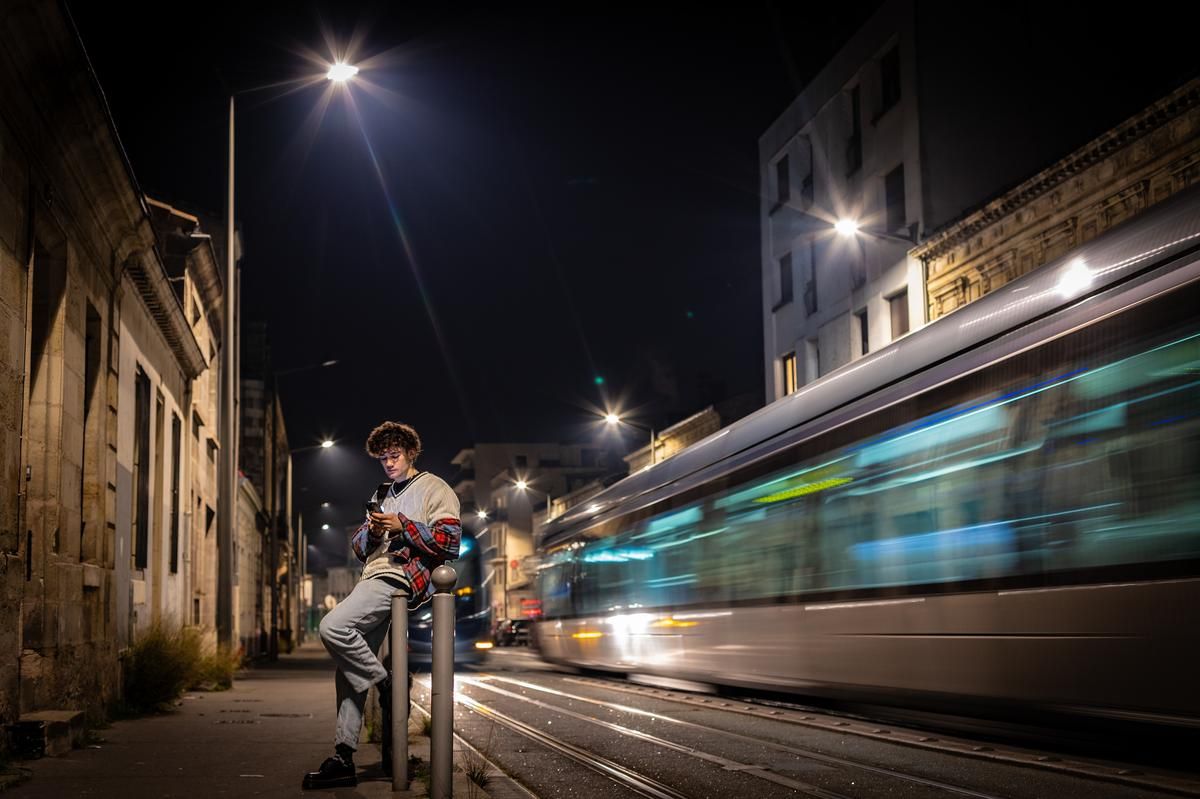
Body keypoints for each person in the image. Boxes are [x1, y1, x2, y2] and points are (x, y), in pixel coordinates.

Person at [303, 421, 461, 790]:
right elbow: (359, 549)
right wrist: (374, 530)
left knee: (332, 627)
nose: (388, 463)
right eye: (382, 458)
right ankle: (343, 756)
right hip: (373, 575)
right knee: (348, 672)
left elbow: (450, 541)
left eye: (394, 456)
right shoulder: (381, 492)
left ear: (410, 453)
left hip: (398, 577)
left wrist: (402, 525)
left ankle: (388, 684)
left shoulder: (434, 487)